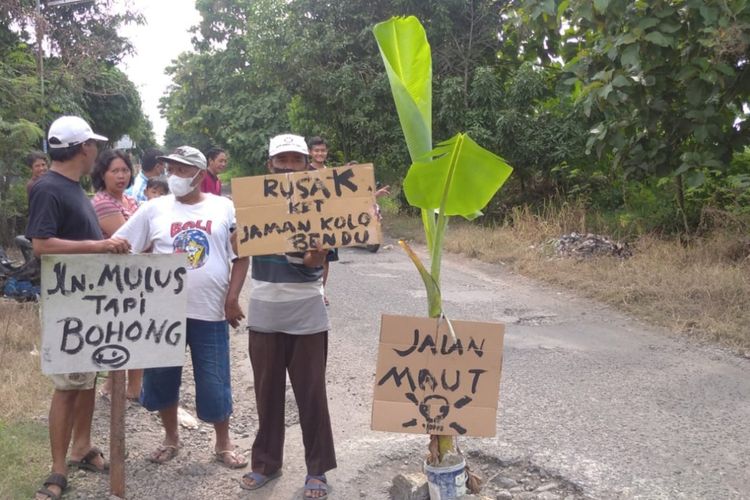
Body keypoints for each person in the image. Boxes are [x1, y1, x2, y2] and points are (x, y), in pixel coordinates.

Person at [114, 145, 249, 468]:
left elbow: (243, 254)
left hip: (211, 311)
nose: (174, 176)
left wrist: (232, 299)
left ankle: (223, 443)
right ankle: (171, 437)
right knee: (162, 379)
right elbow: (122, 248)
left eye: (182, 170)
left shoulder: (223, 208)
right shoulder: (153, 209)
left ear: (201, 175)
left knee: (215, 380)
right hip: (163, 313)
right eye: (171, 169)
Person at [27, 115, 131, 500]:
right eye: (94, 146)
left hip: (87, 301)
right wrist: (99, 246)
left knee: (86, 378)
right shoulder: (48, 188)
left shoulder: (73, 189)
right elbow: (41, 244)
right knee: (67, 387)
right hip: (66, 303)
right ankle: (57, 470)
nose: (96, 153)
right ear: (83, 148)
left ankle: (82, 446)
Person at [240, 134, 336, 499]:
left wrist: (318, 252)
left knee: (312, 394)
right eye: (283, 160)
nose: (290, 167)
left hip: (307, 311)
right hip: (264, 309)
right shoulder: (253, 203)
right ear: (270, 165)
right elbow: (238, 249)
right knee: (267, 393)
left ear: (307, 164)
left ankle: (318, 470)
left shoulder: (322, 205)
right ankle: (265, 463)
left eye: (297, 160)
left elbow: (316, 262)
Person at [90, 149, 142, 401]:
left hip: (134, 276)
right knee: (121, 331)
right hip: (113, 278)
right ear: (103, 174)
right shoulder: (101, 202)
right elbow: (127, 239)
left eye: (125, 170)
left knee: (132, 330)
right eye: (115, 171)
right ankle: (122, 387)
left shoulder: (129, 200)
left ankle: (125, 387)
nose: (121, 176)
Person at [307, 137, 335, 304]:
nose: (320, 153)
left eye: (323, 150)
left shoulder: (332, 174)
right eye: (316, 150)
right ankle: (309, 292)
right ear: (310, 152)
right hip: (309, 221)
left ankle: (321, 292)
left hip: (329, 221)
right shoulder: (303, 171)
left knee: (326, 258)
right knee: (308, 257)